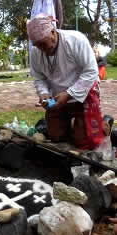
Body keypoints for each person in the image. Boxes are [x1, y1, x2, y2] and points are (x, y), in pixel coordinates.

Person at [27, 15, 103, 150]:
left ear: (52, 32)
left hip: (83, 93)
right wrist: (43, 93)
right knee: (57, 137)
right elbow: (39, 77)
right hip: (57, 98)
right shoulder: (36, 51)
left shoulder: (75, 40)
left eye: (43, 44)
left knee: (86, 142)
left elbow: (91, 71)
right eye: (37, 45)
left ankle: (104, 125)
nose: (41, 49)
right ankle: (76, 127)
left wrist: (69, 94)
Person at [29, 0, 63, 76]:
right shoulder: (33, 1)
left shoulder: (56, 1)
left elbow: (59, 17)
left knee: (52, 59)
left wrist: (55, 33)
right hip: (37, 37)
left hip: (51, 35)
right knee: (39, 60)